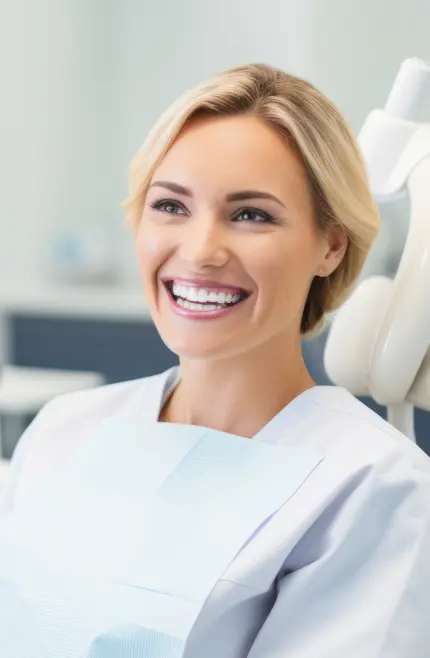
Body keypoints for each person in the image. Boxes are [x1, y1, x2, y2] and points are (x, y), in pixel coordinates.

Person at [1, 63, 430, 658]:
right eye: (170, 206)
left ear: (330, 245)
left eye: (251, 214)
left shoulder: (370, 486)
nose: (201, 252)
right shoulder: (65, 431)